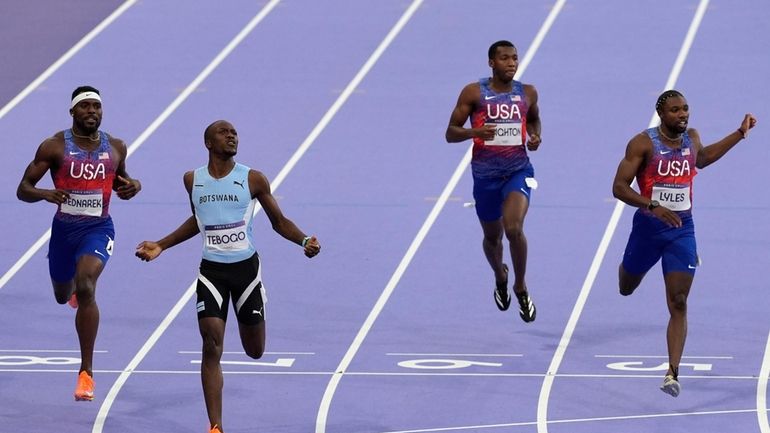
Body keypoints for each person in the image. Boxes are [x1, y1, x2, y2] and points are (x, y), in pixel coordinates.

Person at [135, 119, 320, 433]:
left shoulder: (252, 179)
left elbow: (278, 221)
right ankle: (216, 426)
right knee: (211, 343)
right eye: (224, 132)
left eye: (234, 132)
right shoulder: (193, 180)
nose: (232, 136)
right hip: (212, 273)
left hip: (246, 271)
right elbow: (199, 220)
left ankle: (258, 307)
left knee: (255, 351)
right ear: (208, 142)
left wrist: (304, 240)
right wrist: (161, 245)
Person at [612, 89, 757, 397]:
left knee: (678, 302)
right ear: (661, 114)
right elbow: (619, 187)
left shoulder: (691, 138)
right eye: (675, 110)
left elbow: (703, 158)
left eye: (686, 109)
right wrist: (652, 206)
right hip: (648, 230)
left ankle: (672, 373)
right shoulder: (642, 143)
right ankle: (627, 267)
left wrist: (740, 133)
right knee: (626, 286)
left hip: (682, 229)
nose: (683, 114)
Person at [16, 85, 142, 401]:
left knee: (86, 285)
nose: (91, 112)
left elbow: (121, 180)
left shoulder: (115, 147)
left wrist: (133, 186)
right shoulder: (54, 147)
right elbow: (24, 188)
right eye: (85, 107)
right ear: (72, 111)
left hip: (98, 229)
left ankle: (86, 373)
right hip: (63, 232)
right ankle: (70, 291)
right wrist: (46, 193)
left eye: (96, 107)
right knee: (64, 294)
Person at [445, 40, 541, 323]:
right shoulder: (474, 92)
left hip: (518, 171)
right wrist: (475, 131)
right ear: (491, 63)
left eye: (515, 58)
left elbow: (534, 120)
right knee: (492, 237)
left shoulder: (528, 92)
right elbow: (450, 132)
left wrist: (536, 137)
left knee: (513, 228)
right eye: (505, 58)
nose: (511, 63)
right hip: (485, 176)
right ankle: (500, 274)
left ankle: (521, 286)